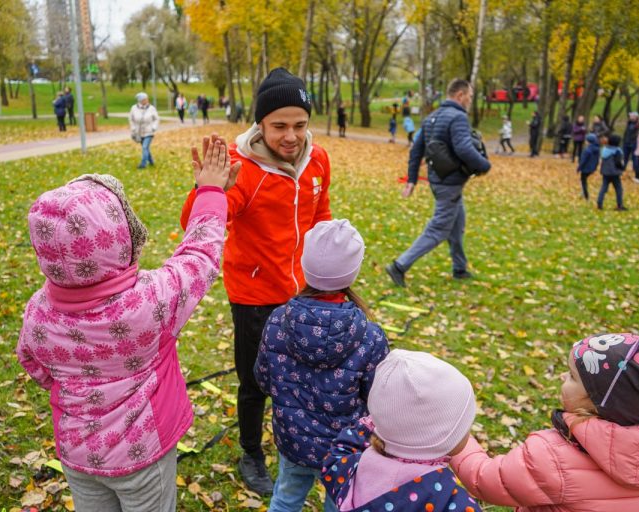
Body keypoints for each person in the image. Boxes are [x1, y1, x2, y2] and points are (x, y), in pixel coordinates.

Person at [16, 144, 234, 511]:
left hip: (77, 452)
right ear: (117, 235)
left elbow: (32, 362)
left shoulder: (38, 311)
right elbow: (200, 255)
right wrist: (211, 191)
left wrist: (73, 387)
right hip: (143, 455)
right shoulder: (150, 301)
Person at [179, 67, 332, 496]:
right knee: (255, 382)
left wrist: (329, 265)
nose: (291, 136)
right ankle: (251, 451)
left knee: (303, 376)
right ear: (260, 124)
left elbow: (320, 216)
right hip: (254, 298)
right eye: (279, 125)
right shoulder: (240, 167)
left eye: (299, 125)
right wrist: (206, 189)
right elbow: (198, 223)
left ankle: (300, 445)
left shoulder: (317, 160)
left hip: (304, 293)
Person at [254, 219, 389, 512]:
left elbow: (263, 378)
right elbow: (376, 398)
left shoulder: (278, 319)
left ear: (305, 264)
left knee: (285, 500)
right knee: (339, 505)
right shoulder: (370, 336)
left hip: (293, 442)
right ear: (352, 271)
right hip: (345, 449)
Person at [451, 331, 639, 510]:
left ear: (599, 402)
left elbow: (484, 479)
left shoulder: (553, 457)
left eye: (573, 376)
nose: (562, 376)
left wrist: (455, 433)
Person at [322, 350, 482, 511]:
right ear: (439, 439)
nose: (468, 431)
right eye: (464, 425)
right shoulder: (445, 497)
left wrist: (380, 423)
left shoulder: (352, 464)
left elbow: (339, 451)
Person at [385, 78, 491, 288]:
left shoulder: (433, 117)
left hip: (438, 181)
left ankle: (459, 268)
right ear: (460, 96)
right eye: (469, 97)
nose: (469, 101)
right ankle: (399, 265)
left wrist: (412, 180)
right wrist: (484, 165)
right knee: (439, 229)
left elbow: (416, 150)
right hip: (449, 184)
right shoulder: (458, 117)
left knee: (457, 222)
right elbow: (463, 148)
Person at [129, 92, 159, 169]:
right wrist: (133, 128)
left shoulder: (151, 108)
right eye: (145, 99)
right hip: (138, 132)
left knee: (145, 147)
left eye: (147, 99)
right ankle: (151, 161)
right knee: (146, 148)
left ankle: (143, 164)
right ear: (140, 100)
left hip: (149, 131)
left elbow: (156, 119)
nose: (147, 100)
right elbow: (131, 119)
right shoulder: (134, 108)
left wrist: (154, 127)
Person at [597, 133, 626, 211]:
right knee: (619, 189)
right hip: (614, 173)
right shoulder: (617, 151)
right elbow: (618, 163)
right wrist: (622, 168)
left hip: (605, 172)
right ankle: (619, 205)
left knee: (603, 188)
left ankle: (599, 203)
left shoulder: (604, 150)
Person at [576, 133, 600, 200]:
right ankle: (583, 192)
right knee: (584, 180)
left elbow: (583, 160)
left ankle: (585, 195)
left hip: (585, 168)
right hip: (592, 168)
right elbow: (597, 160)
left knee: (583, 181)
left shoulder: (587, 150)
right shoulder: (597, 150)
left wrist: (579, 168)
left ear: (588, 141)